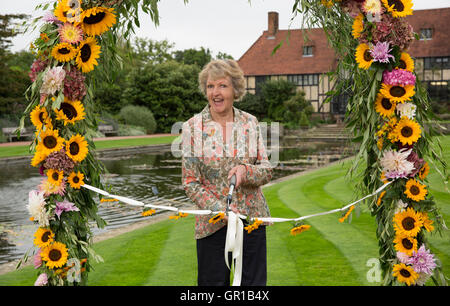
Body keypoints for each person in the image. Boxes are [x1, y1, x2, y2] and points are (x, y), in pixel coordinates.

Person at [181, 59, 273, 286]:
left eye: (222, 86)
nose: (216, 92)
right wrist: (217, 207)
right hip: (212, 225)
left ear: (235, 90)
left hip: (251, 222)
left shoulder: (250, 123)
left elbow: (266, 171)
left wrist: (245, 171)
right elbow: (190, 182)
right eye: (210, 86)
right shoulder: (192, 128)